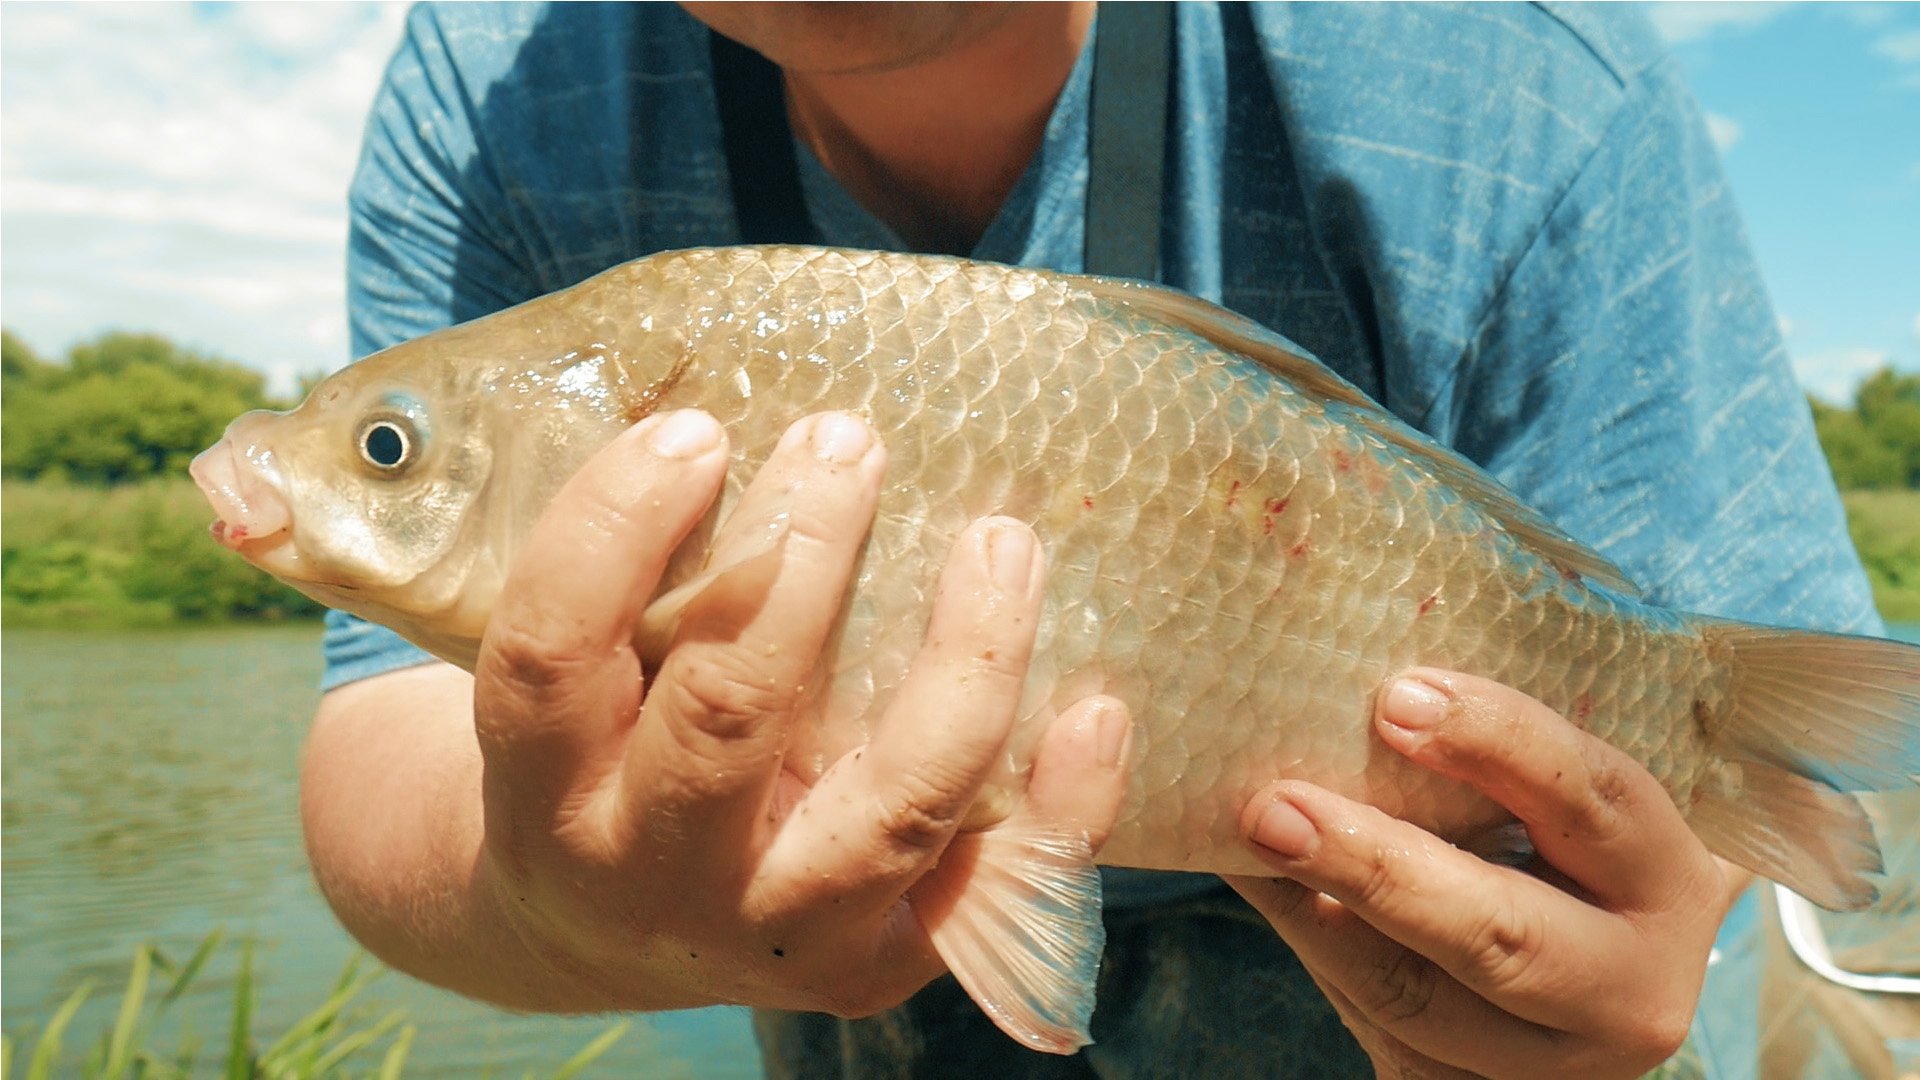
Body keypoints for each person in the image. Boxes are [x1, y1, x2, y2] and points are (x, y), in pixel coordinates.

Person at [306, 4, 1883, 1077]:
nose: (377, 465)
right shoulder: (497, 80)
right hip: (822, 972)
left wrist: (1631, 935)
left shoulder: (1505, 72)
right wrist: (558, 900)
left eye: (390, 452)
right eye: (391, 451)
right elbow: (383, 731)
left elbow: (1738, 850)